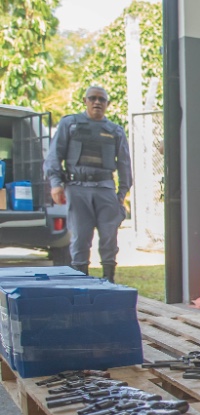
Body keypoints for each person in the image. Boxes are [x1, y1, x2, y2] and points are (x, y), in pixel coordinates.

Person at [43, 85, 132, 282]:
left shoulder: (115, 131)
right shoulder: (70, 124)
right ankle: (82, 283)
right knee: (80, 239)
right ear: (85, 101)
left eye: (102, 99)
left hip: (105, 189)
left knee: (109, 238)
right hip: (77, 188)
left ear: (108, 104)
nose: (97, 102)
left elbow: (125, 164)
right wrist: (56, 184)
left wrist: (121, 194)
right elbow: (54, 156)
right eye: (92, 98)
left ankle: (109, 281)